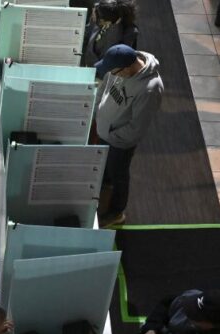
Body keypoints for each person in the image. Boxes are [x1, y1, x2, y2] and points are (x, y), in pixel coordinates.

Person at [93, 44, 164, 228]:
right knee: (107, 169)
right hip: (105, 132)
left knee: (120, 176)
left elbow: (136, 128)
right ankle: (105, 188)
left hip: (120, 143)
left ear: (127, 68)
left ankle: (117, 212)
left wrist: (110, 134)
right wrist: (97, 113)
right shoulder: (118, 69)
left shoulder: (149, 89)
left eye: (115, 72)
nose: (113, 74)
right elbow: (104, 87)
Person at [82, 0, 139, 71]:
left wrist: (114, 29)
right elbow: (87, 35)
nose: (93, 12)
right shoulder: (99, 12)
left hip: (104, 74)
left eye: (95, 14)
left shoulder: (129, 32)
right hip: (86, 66)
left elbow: (115, 58)